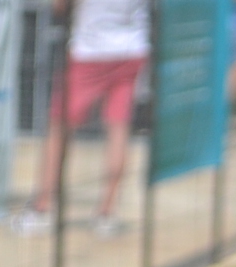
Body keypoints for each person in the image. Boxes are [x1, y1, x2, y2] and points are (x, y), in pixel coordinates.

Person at [13, 0, 150, 236]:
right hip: (132, 49)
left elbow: (59, 6)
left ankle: (42, 207)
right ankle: (107, 213)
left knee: (59, 127)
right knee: (119, 126)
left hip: (90, 51)